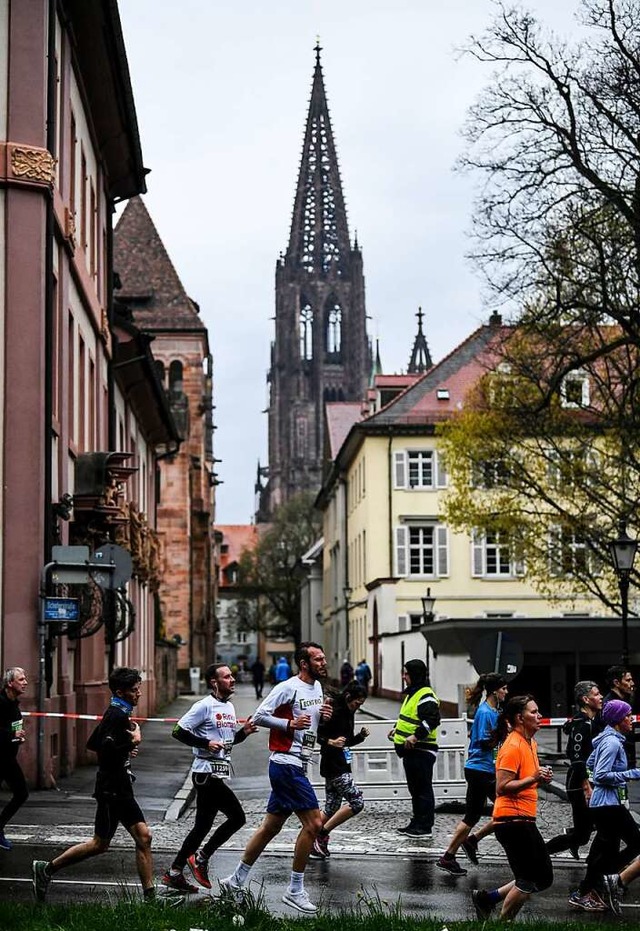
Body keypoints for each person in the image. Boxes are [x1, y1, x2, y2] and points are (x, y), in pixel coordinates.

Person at [220, 641, 332, 914]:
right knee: (314, 824)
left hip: (299, 762)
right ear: (304, 664)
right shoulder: (287, 687)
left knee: (270, 828)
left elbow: (313, 722)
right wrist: (288, 724)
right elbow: (258, 716)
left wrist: (324, 716)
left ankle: (234, 881)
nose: (324, 663)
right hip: (286, 764)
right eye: (318, 659)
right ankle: (295, 890)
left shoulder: (317, 688)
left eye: (323, 658)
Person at [32, 667, 155, 903]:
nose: (138, 694)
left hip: (121, 787)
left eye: (139, 690)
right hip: (112, 790)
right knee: (100, 844)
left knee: (144, 836)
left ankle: (151, 897)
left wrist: (125, 746)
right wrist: (132, 743)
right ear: (120, 692)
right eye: (134, 691)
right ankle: (46, 870)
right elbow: (105, 751)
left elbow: (93, 742)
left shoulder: (119, 712)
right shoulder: (116, 715)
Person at [161, 664, 258, 893]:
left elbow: (227, 742)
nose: (232, 680)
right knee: (237, 817)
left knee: (202, 827)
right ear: (214, 682)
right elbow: (178, 731)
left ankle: (174, 872)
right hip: (205, 774)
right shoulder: (203, 706)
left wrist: (243, 732)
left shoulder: (230, 707)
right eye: (227, 677)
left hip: (217, 773)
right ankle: (201, 858)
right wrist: (205, 744)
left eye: (232, 676)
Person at [471, 694, 554, 922]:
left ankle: (487, 899)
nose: (539, 716)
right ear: (520, 717)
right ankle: (503, 923)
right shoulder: (512, 746)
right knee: (526, 880)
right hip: (512, 821)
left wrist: (540, 778)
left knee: (543, 878)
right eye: (534, 712)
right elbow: (502, 787)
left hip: (525, 819)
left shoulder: (530, 743)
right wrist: (533, 778)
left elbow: (528, 777)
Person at [436, 672, 508, 876]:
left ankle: (467, 844)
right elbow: (485, 743)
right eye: (503, 688)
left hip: (484, 769)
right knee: (494, 812)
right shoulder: (486, 712)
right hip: (480, 770)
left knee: (499, 812)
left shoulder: (493, 710)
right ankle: (452, 854)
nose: (506, 692)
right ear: (494, 690)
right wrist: (504, 733)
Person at [578, 699, 640, 915]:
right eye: (627, 715)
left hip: (605, 803)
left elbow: (590, 765)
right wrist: (633, 774)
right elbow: (602, 774)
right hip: (608, 804)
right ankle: (609, 879)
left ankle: (592, 887)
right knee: (634, 843)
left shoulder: (607, 739)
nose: (631, 719)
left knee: (606, 849)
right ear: (617, 720)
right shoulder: (612, 743)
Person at [545, 681, 603, 910]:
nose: (601, 698)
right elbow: (577, 759)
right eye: (597, 694)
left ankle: (572, 840)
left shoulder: (590, 722)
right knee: (583, 834)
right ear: (586, 700)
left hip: (586, 783)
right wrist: (587, 787)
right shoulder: (582, 725)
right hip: (578, 785)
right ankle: (542, 854)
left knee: (582, 834)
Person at [311, 681, 370, 859]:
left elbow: (347, 741)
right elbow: (315, 733)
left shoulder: (349, 712)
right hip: (333, 765)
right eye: (356, 703)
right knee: (357, 802)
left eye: (361, 704)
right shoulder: (335, 711)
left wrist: (360, 737)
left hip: (341, 763)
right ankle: (321, 834)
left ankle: (307, 838)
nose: (357, 707)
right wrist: (330, 742)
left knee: (332, 806)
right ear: (348, 697)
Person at [390, 659, 440, 838]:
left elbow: (432, 720)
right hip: (411, 751)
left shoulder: (425, 694)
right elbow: (411, 719)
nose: (404, 677)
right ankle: (417, 821)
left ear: (415, 675)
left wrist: (415, 736)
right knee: (416, 789)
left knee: (422, 789)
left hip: (422, 750)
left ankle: (424, 826)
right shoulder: (414, 693)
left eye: (406, 673)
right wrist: (398, 731)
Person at [0, 667, 29, 850]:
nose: (25, 682)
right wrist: (11, 733)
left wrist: (17, 737)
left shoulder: (14, 704)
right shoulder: (0, 703)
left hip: (8, 758)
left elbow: (12, 730)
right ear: (10, 683)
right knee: (21, 793)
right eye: (21, 679)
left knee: (21, 793)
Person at [603, 666, 637, 766]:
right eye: (628, 680)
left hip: (626, 756)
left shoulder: (626, 700)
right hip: (616, 759)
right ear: (616, 683)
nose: (632, 683)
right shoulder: (610, 705)